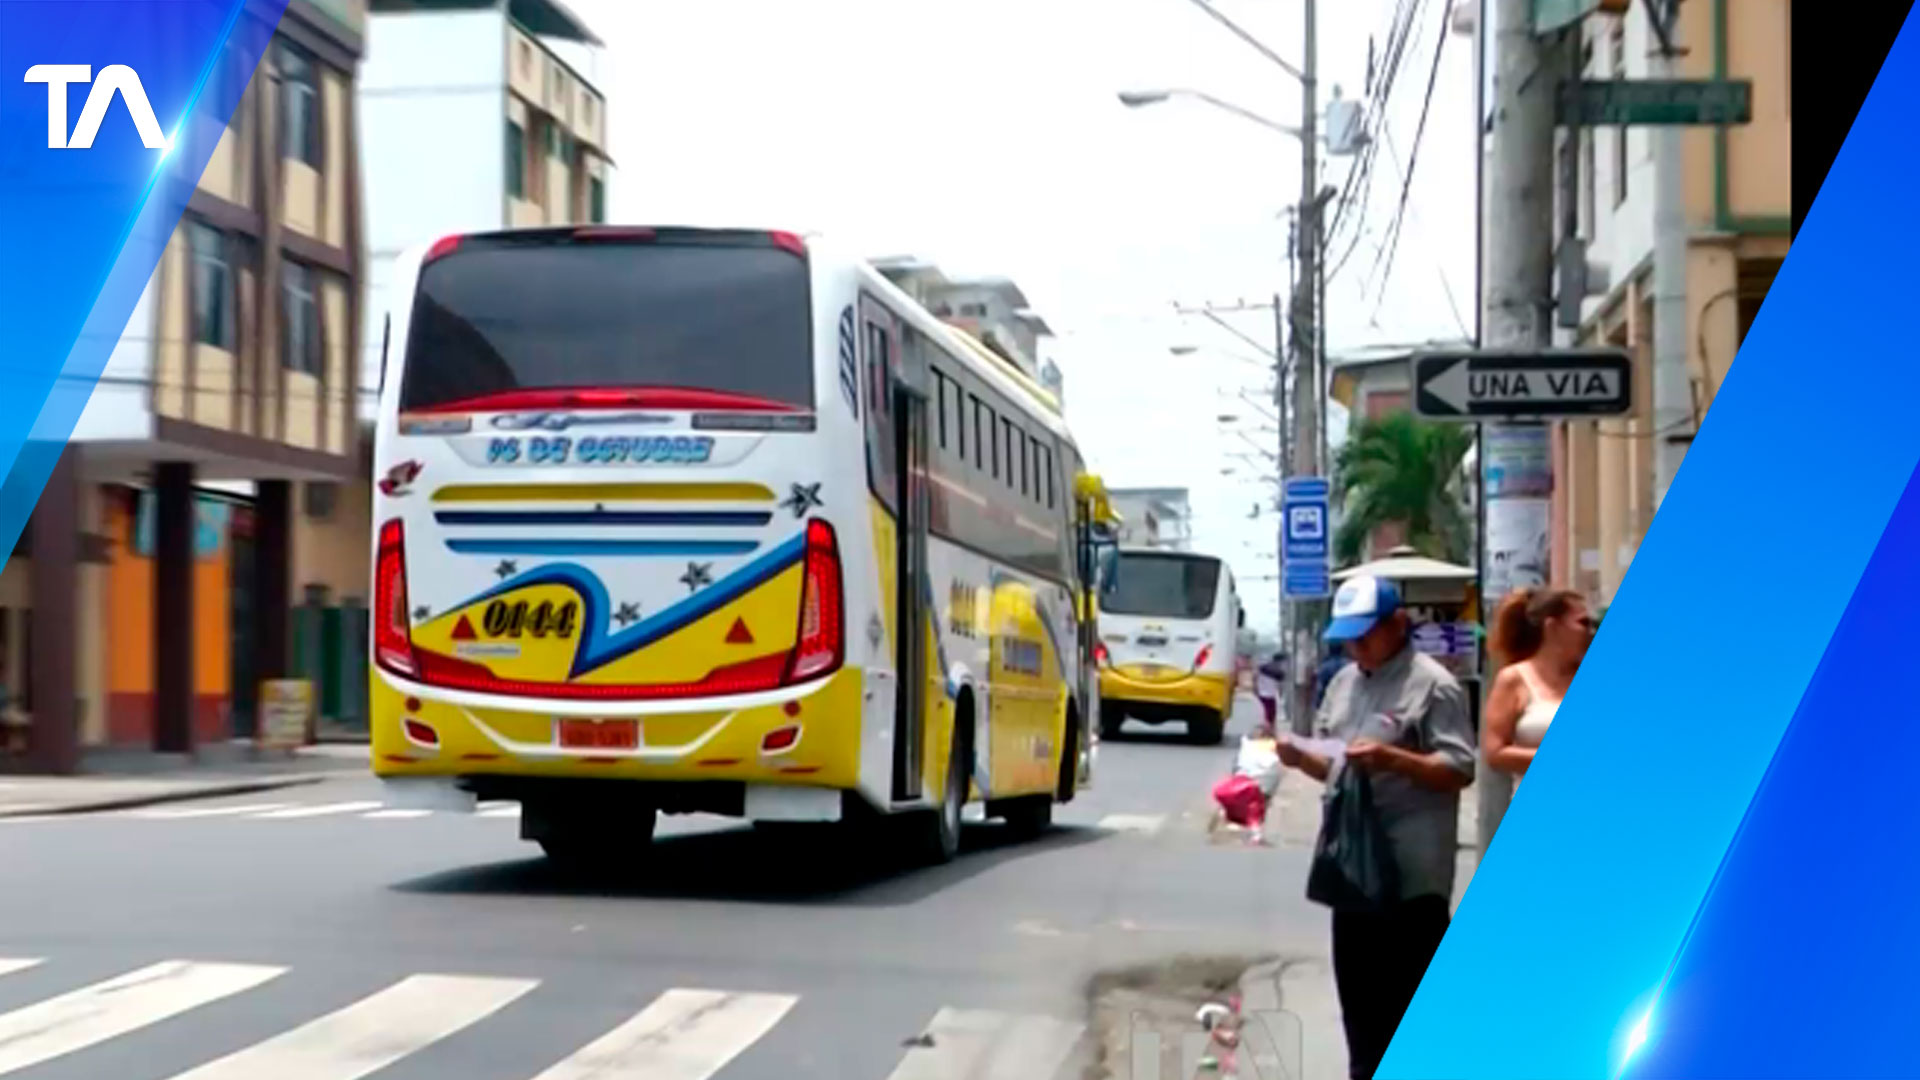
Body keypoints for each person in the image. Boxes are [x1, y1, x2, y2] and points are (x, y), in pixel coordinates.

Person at [1274, 574, 1475, 1080]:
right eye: (1348, 637)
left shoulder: (1433, 685)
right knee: (1362, 1020)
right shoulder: (1343, 684)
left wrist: (1393, 760)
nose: (1356, 646)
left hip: (1411, 879)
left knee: (1412, 1016)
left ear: (1398, 625)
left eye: (1366, 634)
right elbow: (1334, 765)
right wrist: (1301, 759)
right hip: (1354, 876)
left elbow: (1458, 768)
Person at [1482, 587, 1595, 790]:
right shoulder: (1514, 679)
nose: (1591, 632)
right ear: (1552, 627)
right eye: (1583, 623)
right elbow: (1495, 753)